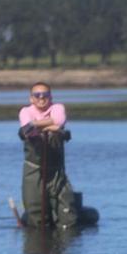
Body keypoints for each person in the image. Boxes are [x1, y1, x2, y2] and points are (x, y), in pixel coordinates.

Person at [18, 82, 77, 230]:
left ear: (50, 97)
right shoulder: (25, 111)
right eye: (37, 95)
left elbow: (59, 121)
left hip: (57, 170)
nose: (41, 98)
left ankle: (62, 246)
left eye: (45, 95)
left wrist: (38, 124)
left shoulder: (58, 107)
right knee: (36, 216)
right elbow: (27, 129)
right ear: (31, 98)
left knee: (68, 217)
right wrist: (51, 126)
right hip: (34, 169)